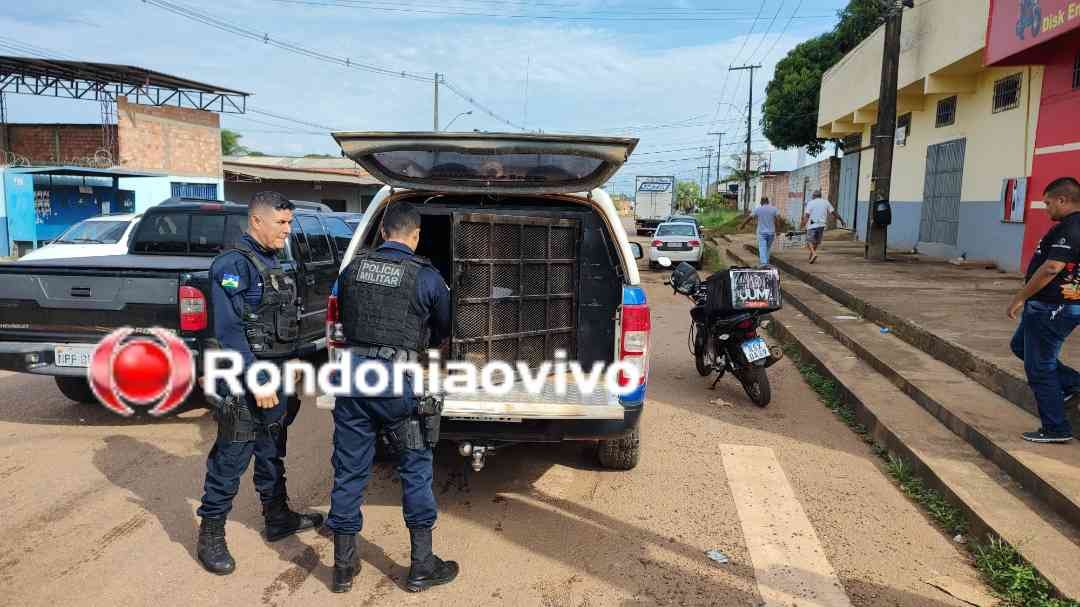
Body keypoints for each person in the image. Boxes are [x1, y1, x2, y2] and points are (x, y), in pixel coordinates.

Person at [326, 201, 458, 593]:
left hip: (351, 378)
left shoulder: (351, 269)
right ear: (415, 237)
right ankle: (421, 566)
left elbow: (341, 317)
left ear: (382, 232)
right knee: (415, 468)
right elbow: (445, 327)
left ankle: (343, 568)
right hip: (395, 381)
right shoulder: (426, 277)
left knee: (349, 471)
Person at [195, 191, 323, 575]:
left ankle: (277, 516)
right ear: (256, 221)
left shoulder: (272, 261)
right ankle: (210, 536)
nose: (288, 230)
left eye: (289, 223)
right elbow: (230, 331)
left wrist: (293, 362)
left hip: (277, 374)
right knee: (232, 457)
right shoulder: (233, 265)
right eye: (281, 223)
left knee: (272, 449)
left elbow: (281, 323)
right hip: (246, 379)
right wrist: (258, 378)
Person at [1007, 177, 1080, 444]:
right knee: (1020, 347)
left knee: (1040, 368)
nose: (1046, 209)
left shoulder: (1071, 229)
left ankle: (1056, 428)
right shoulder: (1068, 227)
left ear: (1063, 200)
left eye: (1048, 203)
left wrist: (1019, 297)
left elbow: (1051, 268)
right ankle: (1073, 383)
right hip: (1054, 305)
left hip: (1053, 307)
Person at [801, 190, 846, 264]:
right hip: (821, 225)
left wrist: (802, 225)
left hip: (812, 225)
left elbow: (807, 216)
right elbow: (834, 212)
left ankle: (814, 253)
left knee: (809, 240)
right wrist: (841, 220)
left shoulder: (810, 203)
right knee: (816, 242)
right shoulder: (826, 202)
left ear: (813, 196)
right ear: (820, 196)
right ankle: (811, 256)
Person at [739, 196, 781, 266]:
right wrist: (778, 230)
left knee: (762, 248)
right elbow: (778, 219)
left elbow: (749, 218)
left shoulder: (758, 209)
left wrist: (743, 225)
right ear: (768, 201)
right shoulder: (774, 209)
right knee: (767, 248)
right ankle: (766, 263)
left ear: (761, 202)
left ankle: (764, 264)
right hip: (771, 233)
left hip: (761, 233)